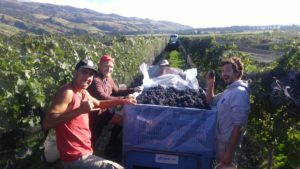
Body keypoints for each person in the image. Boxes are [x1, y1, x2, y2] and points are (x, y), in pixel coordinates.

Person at [42, 59, 136, 169]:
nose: (87, 78)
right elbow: (47, 123)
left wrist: (124, 100)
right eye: (84, 72)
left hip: (85, 152)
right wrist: (79, 110)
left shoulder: (83, 91)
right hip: (75, 157)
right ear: (75, 73)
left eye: (91, 74)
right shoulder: (67, 92)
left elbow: (99, 103)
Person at [87, 54, 141, 149]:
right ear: (99, 65)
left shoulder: (108, 78)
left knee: (122, 120)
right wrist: (124, 100)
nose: (109, 69)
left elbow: (117, 91)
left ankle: (111, 144)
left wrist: (133, 90)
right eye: (106, 66)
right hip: (95, 114)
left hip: (105, 111)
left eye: (111, 67)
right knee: (92, 136)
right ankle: (92, 151)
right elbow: (102, 96)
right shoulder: (95, 80)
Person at [205, 57, 250, 168]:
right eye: (222, 71)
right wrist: (211, 84)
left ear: (237, 72)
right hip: (221, 143)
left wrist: (229, 152)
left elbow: (239, 126)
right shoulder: (229, 91)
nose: (224, 73)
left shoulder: (239, 93)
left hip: (227, 146)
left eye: (228, 70)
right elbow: (210, 101)